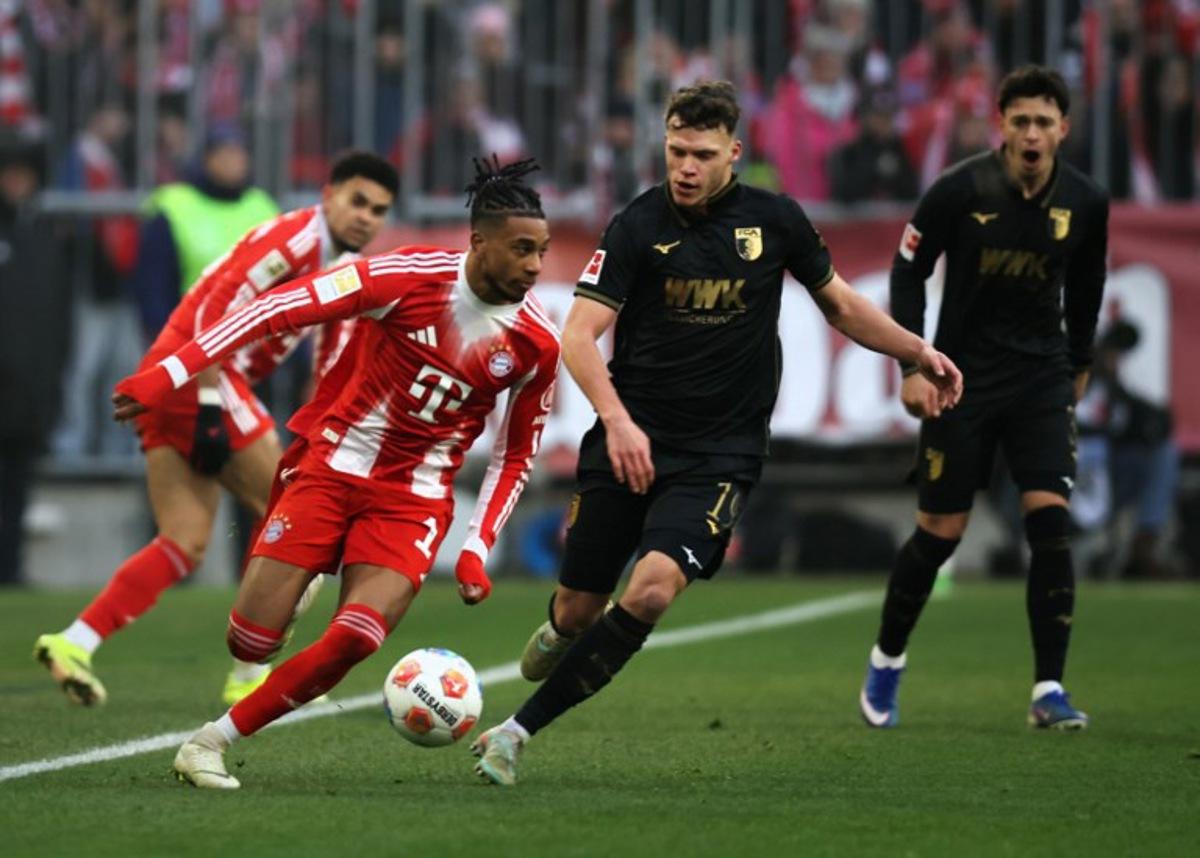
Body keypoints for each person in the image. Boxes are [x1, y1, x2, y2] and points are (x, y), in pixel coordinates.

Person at [470, 80, 962, 786]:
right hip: (631, 440)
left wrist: (917, 352)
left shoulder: (776, 220)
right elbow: (578, 335)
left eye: (701, 154)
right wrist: (618, 423)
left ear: (733, 152)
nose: (686, 167)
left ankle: (516, 733)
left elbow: (841, 305)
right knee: (579, 610)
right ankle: (560, 627)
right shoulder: (637, 225)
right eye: (676, 151)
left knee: (650, 592)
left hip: (720, 454)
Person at [111, 157, 559, 790]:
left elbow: (516, 455)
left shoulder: (538, 342)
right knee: (249, 643)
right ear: (479, 242)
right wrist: (170, 372)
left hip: (414, 498)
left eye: (542, 251)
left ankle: (210, 742)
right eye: (521, 250)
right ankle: (293, 594)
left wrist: (475, 547)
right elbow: (278, 308)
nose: (535, 267)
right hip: (331, 466)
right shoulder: (405, 277)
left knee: (356, 637)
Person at [33, 151, 399, 707]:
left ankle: (73, 642)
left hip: (184, 380)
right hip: (196, 378)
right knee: (290, 509)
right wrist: (207, 406)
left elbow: (330, 355)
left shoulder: (341, 265)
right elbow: (213, 318)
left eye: (378, 210)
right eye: (358, 202)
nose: (366, 217)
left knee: (182, 542)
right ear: (328, 196)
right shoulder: (292, 242)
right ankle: (250, 671)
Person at [858, 66, 1109, 731]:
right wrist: (913, 364)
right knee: (940, 533)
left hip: (1041, 379)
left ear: (1063, 129)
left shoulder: (1086, 201)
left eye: (1043, 122)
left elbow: (1088, 285)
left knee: (1050, 523)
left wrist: (1080, 362)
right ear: (1001, 124)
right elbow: (907, 269)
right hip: (959, 381)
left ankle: (1049, 689)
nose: (1031, 134)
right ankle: (886, 660)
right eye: (1020, 120)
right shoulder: (958, 190)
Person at [0, 134, 69, 586]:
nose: (17, 184)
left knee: (18, 484)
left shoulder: (44, 236)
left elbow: (57, 318)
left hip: (29, 388)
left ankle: (10, 569)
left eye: (24, 175)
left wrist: (52, 380)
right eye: (10, 175)